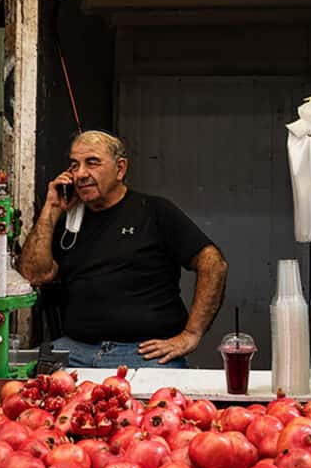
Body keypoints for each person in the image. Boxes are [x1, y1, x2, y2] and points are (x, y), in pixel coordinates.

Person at [18, 130, 227, 369]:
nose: (80, 174)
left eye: (92, 163)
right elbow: (33, 275)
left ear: (120, 169)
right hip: (75, 350)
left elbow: (213, 264)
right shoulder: (68, 222)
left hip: (143, 354)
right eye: (74, 165)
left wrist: (190, 334)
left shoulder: (154, 211)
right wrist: (51, 209)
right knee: (25, 392)